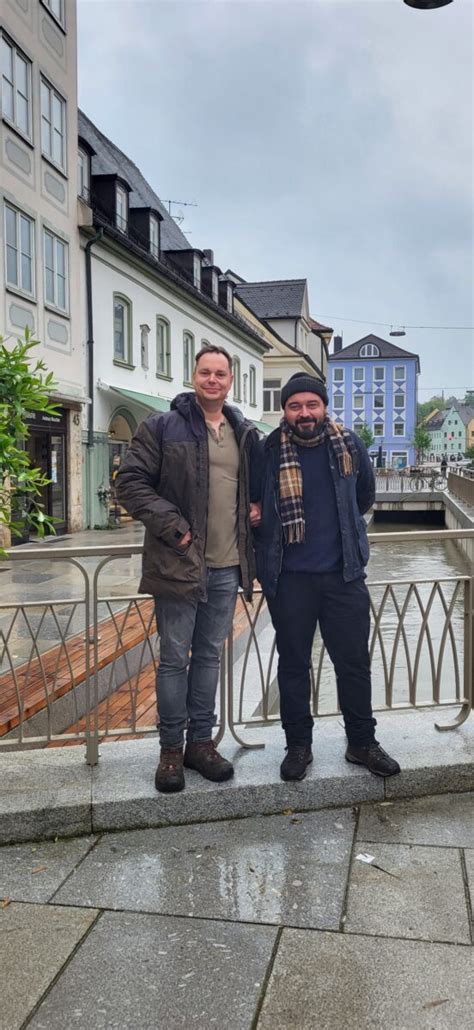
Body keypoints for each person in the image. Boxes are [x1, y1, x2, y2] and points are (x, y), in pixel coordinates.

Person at [116, 345, 261, 793]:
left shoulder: (243, 431)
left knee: (210, 656)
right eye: (205, 372)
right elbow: (129, 483)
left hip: (227, 565)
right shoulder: (161, 426)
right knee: (175, 659)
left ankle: (201, 743)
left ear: (230, 380)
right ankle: (170, 752)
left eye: (221, 373)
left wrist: (255, 507)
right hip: (178, 564)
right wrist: (175, 528)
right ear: (193, 375)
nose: (212, 380)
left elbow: (256, 486)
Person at [253, 372, 400, 782]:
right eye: (295, 405)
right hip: (290, 579)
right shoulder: (269, 449)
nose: (304, 413)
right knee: (294, 665)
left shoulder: (348, 445)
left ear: (324, 407)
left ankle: (361, 743)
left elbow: (364, 496)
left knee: (353, 663)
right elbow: (255, 501)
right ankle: (298, 746)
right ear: (285, 410)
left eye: (311, 404)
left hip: (344, 575)